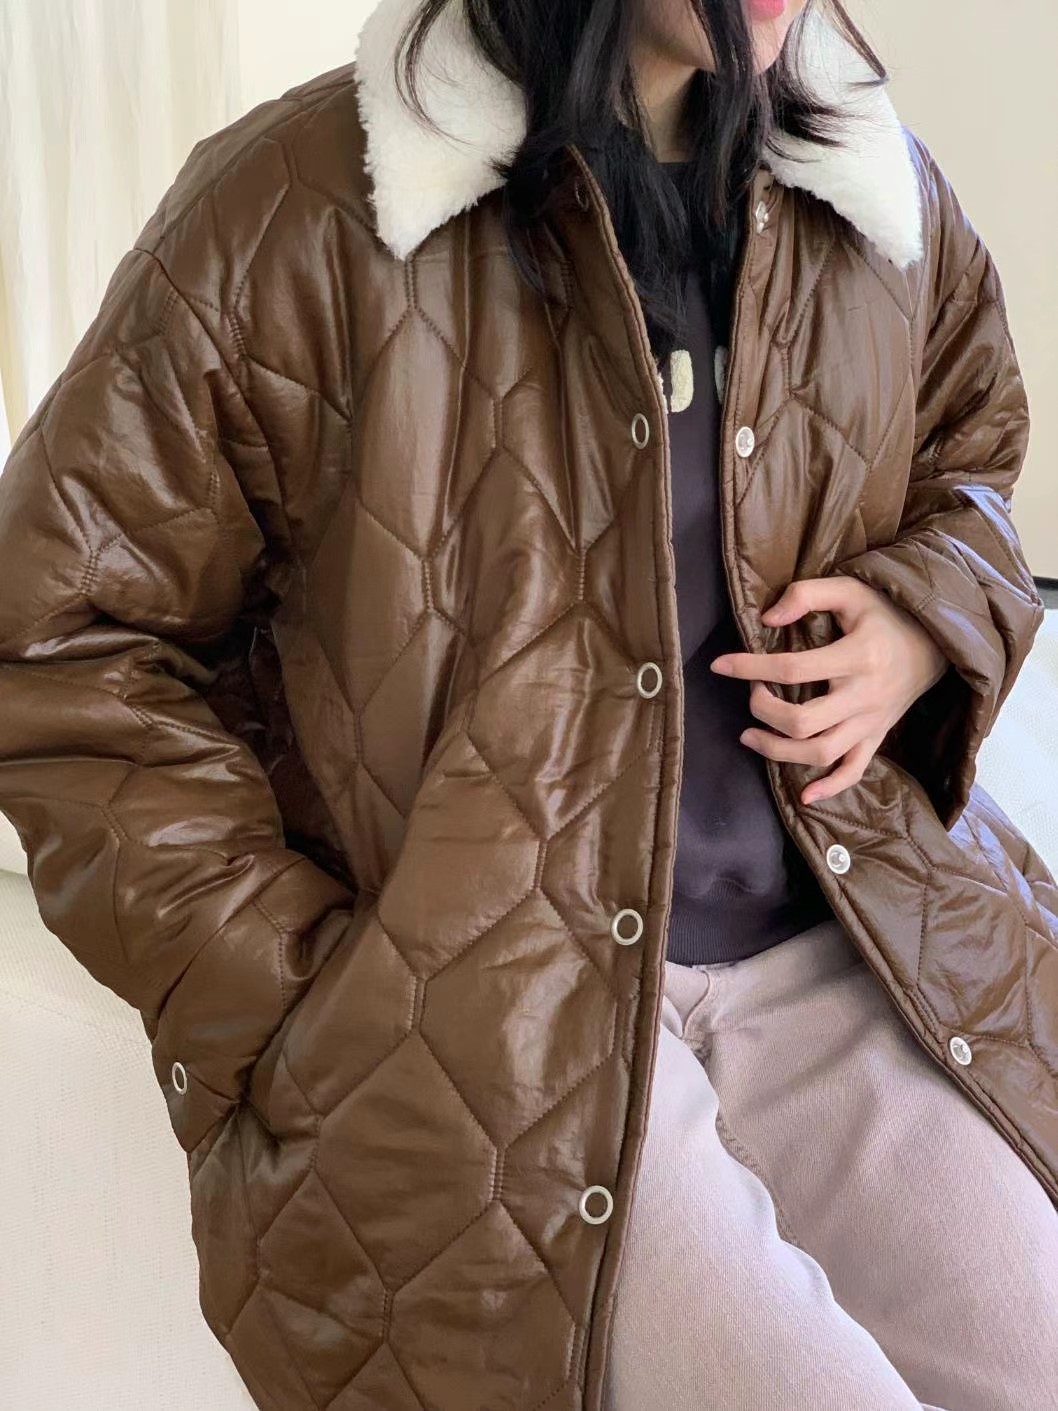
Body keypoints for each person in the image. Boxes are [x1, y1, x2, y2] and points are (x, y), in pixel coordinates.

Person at [0, 0, 1056, 1407]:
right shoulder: (293, 210)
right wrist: (305, 1007)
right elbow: (60, 638)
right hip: (495, 1013)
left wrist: (925, 617)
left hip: (839, 939)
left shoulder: (867, 182)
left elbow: (971, 453)